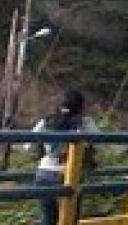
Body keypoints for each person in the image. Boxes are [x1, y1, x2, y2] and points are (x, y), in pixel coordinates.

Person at [31, 90, 100, 225]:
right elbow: (99, 143)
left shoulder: (46, 121)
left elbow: (28, 145)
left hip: (45, 173)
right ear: (80, 106)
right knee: (70, 218)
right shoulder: (85, 123)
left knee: (48, 218)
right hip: (71, 174)